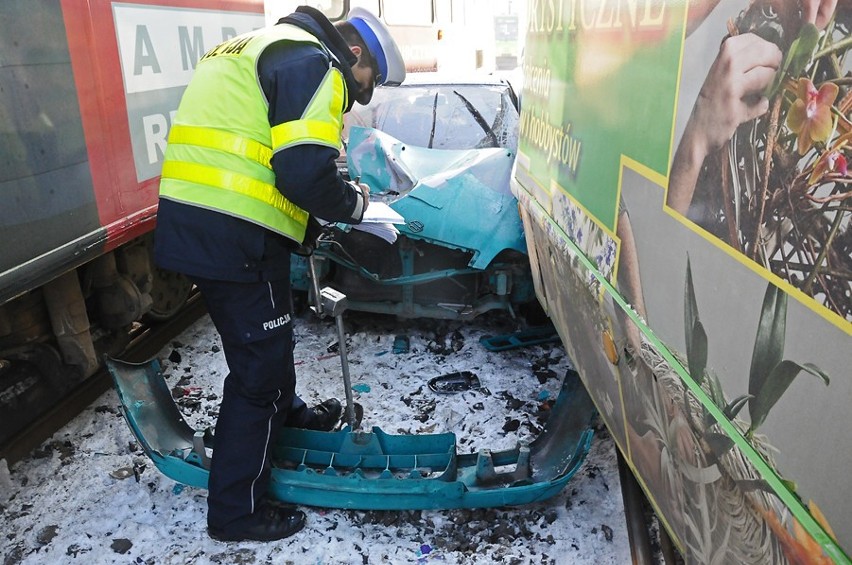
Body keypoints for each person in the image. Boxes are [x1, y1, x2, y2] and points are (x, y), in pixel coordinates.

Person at [153, 6, 405, 542]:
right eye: (365, 83)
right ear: (353, 53)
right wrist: (359, 209)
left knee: (268, 339)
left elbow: (255, 158)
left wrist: (305, 231)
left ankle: (286, 418)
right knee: (257, 373)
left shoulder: (256, 45)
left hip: (202, 222)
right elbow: (302, 172)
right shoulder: (313, 63)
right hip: (235, 236)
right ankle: (235, 511)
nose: (359, 95)